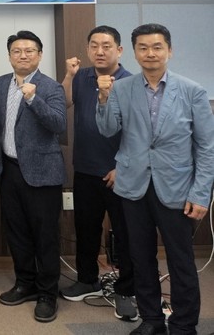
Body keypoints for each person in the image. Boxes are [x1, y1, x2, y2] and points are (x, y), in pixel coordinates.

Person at [96, 23, 214, 335]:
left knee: (181, 260)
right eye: (143, 47)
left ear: (169, 51)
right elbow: (107, 130)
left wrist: (201, 193)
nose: (150, 53)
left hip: (177, 188)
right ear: (134, 53)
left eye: (157, 47)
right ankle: (151, 320)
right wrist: (104, 98)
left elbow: (206, 147)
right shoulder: (122, 88)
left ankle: (184, 324)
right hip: (133, 187)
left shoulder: (192, 90)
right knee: (140, 257)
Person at [60, 25, 136, 321]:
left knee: (126, 234)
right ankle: (87, 280)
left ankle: (127, 290)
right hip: (85, 169)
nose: (100, 51)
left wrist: (121, 166)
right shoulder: (81, 77)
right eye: (94, 45)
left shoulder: (131, 82)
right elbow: (65, 102)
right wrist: (69, 75)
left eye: (107, 46)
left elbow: (138, 131)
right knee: (86, 229)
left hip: (120, 172)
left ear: (119, 50)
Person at [0, 30, 66, 323]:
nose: (23, 55)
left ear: (40, 55)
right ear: (9, 55)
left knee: (45, 236)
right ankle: (25, 283)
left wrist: (33, 98)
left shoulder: (50, 86)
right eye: (17, 51)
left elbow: (58, 124)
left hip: (42, 172)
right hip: (9, 169)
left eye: (29, 50)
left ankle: (47, 293)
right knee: (17, 232)